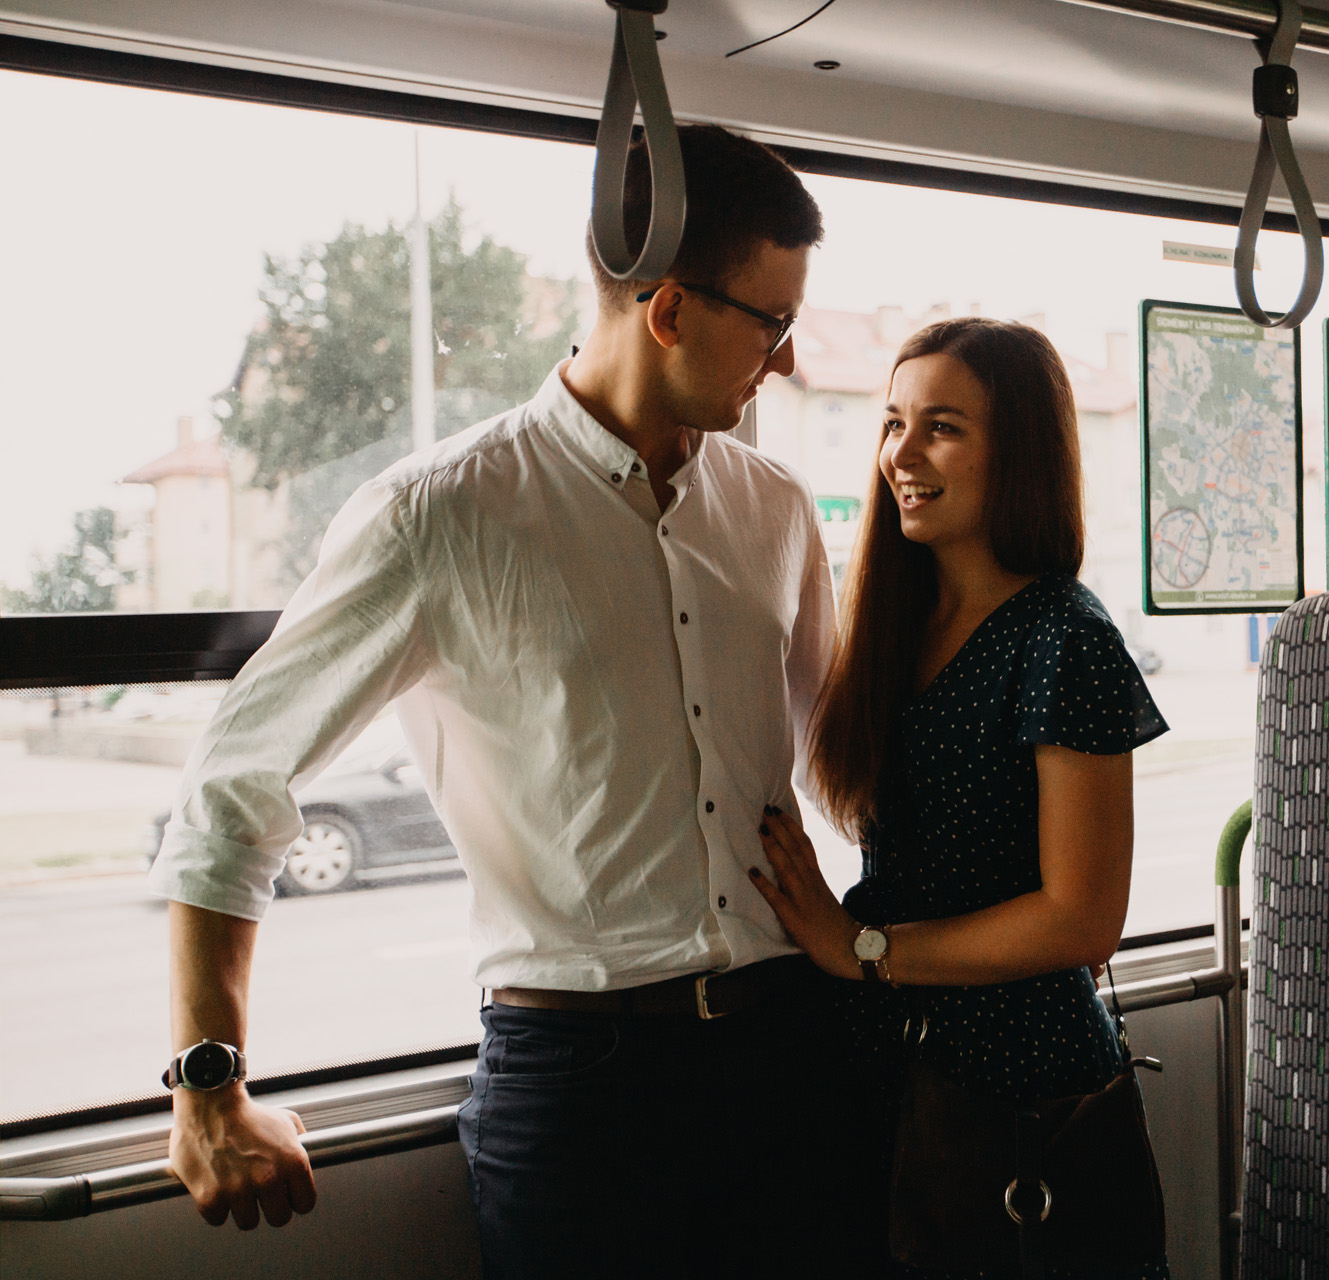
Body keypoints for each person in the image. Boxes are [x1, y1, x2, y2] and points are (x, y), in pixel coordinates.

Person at [149, 124, 853, 1277]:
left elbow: (835, 753)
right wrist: (210, 1083)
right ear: (667, 308)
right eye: (771, 323)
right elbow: (234, 783)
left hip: (791, 1049)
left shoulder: (775, 508)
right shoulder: (439, 513)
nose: (785, 360)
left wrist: (929, 939)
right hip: (582, 1087)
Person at [747, 317, 1172, 1278]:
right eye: (893, 423)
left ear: (1017, 450)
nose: (902, 453)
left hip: (1016, 1091)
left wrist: (862, 950)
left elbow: (1083, 918)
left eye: (942, 427)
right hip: (891, 1067)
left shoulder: (1063, 635)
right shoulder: (897, 621)